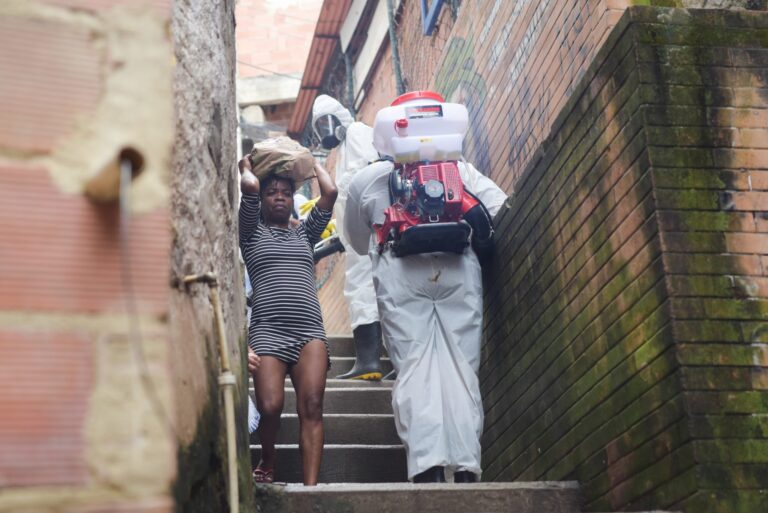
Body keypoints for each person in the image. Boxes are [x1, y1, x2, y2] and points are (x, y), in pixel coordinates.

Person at [343, 92, 507, 483]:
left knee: (416, 368)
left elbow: (356, 242)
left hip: (401, 276)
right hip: (458, 268)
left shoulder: (368, 179)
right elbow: (500, 208)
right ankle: (465, 470)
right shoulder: (461, 171)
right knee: (461, 368)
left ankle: (427, 470)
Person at [239, 154, 337, 486]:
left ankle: (311, 490)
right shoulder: (250, 233)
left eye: (285, 192)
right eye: (272, 193)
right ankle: (268, 458)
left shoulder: (305, 234)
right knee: (269, 406)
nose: (279, 197)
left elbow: (330, 192)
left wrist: (310, 164)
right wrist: (246, 168)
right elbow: (249, 188)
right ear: (263, 200)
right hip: (267, 331)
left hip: (309, 331)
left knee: (312, 405)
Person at [311, 94, 385, 380]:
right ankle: (373, 362)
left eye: (327, 122)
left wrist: (336, 190)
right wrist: (336, 226)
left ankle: (369, 362)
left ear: (340, 117)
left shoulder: (357, 131)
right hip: (360, 235)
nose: (325, 131)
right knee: (367, 292)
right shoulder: (342, 150)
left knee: (362, 290)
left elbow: (368, 170)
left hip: (369, 233)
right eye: (320, 127)